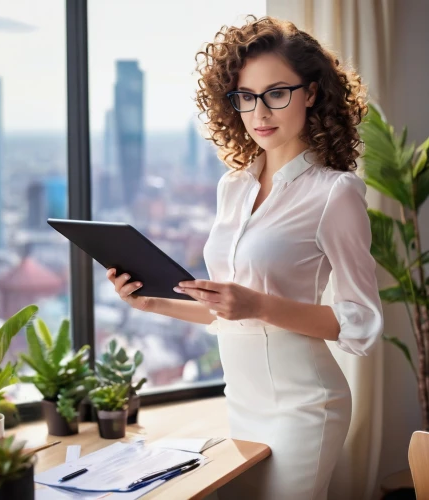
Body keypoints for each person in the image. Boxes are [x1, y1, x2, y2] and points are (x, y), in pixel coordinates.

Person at [106, 15, 384, 500]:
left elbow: (360, 322)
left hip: (306, 406)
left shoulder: (335, 193)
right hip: (241, 401)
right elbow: (229, 315)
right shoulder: (232, 187)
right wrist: (151, 303)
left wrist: (257, 305)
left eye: (277, 93)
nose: (260, 112)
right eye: (246, 97)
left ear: (311, 93)